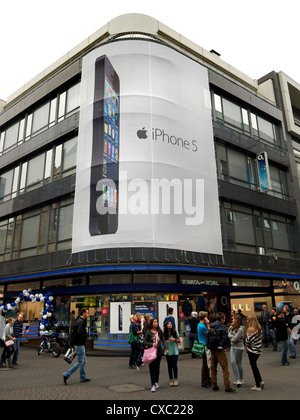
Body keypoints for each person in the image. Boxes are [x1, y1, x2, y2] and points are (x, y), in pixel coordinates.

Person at [210, 312, 236, 393]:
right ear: (222, 319)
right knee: (224, 367)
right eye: (224, 318)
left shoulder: (211, 325)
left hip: (212, 348)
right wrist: (222, 347)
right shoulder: (223, 327)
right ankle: (227, 386)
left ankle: (214, 384)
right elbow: (224, 338)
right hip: (220, 349)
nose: (224, 320)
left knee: (213, 367)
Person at [63, 308, 90, 384]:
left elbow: (74, 333)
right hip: (79, 344)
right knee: (80, 362)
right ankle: (66, 374)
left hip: (77, 343)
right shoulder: (81, 322)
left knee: (83, 361)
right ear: (83, 313)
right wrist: (85, 337)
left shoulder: (77, 321)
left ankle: (82, 377)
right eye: (87, 313)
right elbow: (79, 333)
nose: (88, 314)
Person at [143, 318, 166, 392]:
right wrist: (151, 344)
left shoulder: (159, 332)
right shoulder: (148, 332)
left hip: (159, 352)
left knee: (157, 367)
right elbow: (144, 342)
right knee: (152, 367)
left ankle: (156, 381)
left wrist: (166, 348)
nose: (156, 323)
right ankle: (153, 384)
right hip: (151, 352)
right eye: (155, 322)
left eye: (157, 322)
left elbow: (163, 340)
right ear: (152, 323)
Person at [245, 315, 264, 391]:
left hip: (252, 350)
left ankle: (258, 385)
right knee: (255, 366)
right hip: (258, 350)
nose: (246, 321)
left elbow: (247, 341)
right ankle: (260, 381)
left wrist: (246, 346)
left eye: (247, 320)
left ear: (250, 321)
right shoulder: (259, 328)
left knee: (253, 367)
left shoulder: (250, 329)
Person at [228, 314, 245, 387]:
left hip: (239, 347)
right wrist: (233, 337)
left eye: (233, 319)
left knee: (239, 362)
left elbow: (235, 339)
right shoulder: (232, 327)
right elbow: (229, 335)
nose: (232, 320)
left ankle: (241, 378)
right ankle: (237, 379)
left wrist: (233, 338)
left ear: (237, 320)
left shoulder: (241, 328)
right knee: (232, 362)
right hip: (233, 346)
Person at [197, 311, 211, 388]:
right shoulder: (203, 326)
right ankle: (204, 381)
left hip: (201, 344)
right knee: (205, 364)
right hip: (205, 345)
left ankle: (207, 379)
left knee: (205, 363)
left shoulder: (199, 325)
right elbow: (210, 333)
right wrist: (208, 325)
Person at [164, 321, 180, 386]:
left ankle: (175, 378)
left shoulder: (175, 332)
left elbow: (179, 340)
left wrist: (175, 339)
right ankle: (171, 379)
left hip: (175, 350)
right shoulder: (164, 333)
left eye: (171, 324)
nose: (170, 325)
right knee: (169, 366)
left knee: (174, 365)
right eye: (168, 324)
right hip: (168, 351)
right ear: (166, 325)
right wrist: (165, 342)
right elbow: (163, 341)